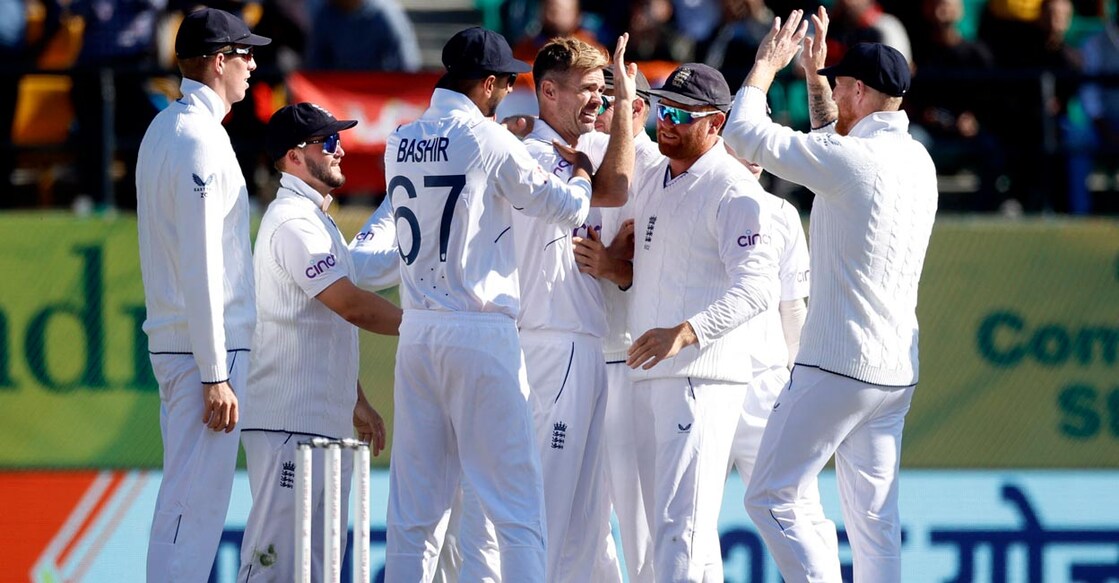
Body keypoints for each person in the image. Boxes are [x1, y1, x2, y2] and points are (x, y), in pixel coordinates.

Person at [724, 8, 937, 582]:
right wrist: (818, 79)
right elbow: (831, 147)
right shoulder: (917, 159)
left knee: (768, 495)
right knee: (875, 525)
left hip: (837, 364)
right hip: (895, 373)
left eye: (842, 85)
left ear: (862, 92)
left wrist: (766, 68)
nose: (835, 93)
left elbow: (743, 133)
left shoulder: (853, 161)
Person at [382, 27, 599, 582]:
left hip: (418, 332)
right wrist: (580, 172)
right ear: (486, 84)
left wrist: (501, 134)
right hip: (479, 331)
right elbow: (564, 208)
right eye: (504, 82)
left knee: (414, 515)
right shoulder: (487, 137)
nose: (508, 91)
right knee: (518, 509)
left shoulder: (400, 137)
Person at [625, 62, 780, 582]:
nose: (664, 121)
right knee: (669, 530)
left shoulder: (734, 189)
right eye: (662, 108)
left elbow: (760, 287)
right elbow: (627, 140)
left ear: (716, 124)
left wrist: (687, 332)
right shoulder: (658, 171)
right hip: (655, 375)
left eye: (680, 114)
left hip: (701, 378)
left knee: (680, 529)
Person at [236, 103, 401, 580]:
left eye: (339, 139)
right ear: (293, 156)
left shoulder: (315, 218)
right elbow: (349, 304)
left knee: (314, 571)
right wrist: (428, 328)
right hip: (291, 426)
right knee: (271, 566)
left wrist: (356, 400)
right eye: (328, 141)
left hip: (320, 425)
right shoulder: (293, 220)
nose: (340, 149)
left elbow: (323, 326)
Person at [135, 8, 270, 581]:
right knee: (197, 508)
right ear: (219, 62)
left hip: (182, 344)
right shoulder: (199, 139)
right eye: (244, 54)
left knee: (183, 501)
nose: (254, 64)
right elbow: (201, 263)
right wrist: (215, 372)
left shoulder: (164, 127)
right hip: (204, 354)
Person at [580, 64, 662, 583]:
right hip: (577, 356)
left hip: (632, 362)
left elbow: (670, 275)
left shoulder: (657, 172)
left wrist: (615, 267)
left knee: (641, 530)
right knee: (580, 529)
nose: (593, 108)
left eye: (605, 99)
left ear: (636, 110)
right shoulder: (578, 157)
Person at [723, 155, 809, 493]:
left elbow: (793, 309)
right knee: (689, 518)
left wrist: (798, 387)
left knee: (791, 504)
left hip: (765, 384)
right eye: (742, 138)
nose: (752, 153)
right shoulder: (683, 198)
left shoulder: (782, 213)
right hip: (700, 381)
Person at [305, 0, 421, 71]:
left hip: (379, 96)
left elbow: (407, 63)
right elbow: (315, 64)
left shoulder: (385, 14)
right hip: (340, 97)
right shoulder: (325, 15)